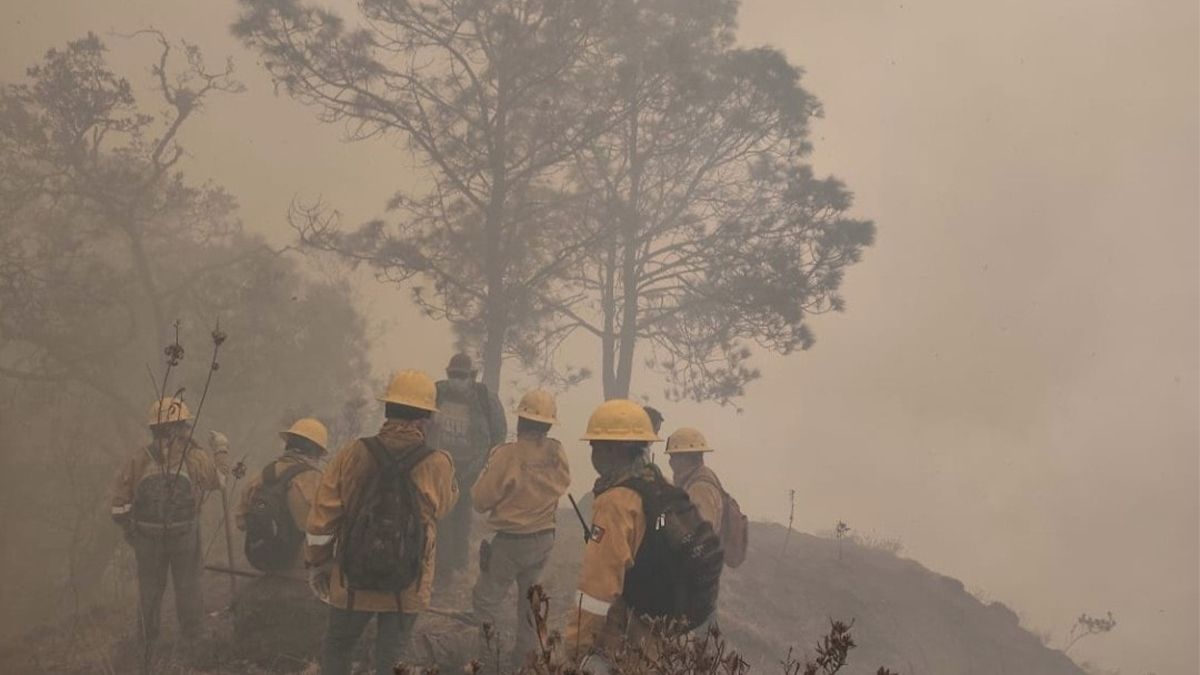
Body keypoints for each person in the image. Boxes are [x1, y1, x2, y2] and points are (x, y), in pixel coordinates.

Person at [305, 370, 458, 675]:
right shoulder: (438, 462)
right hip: (408, 583)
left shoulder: (353, 453)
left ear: (388, 409)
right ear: (425, 419)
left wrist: (318, 563)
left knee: (338, 647)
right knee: (392, 658)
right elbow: (444, 507)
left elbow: (322, 519)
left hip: (352, 580)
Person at [565, 401, 722, 671]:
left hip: (634, 629)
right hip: (669, 627)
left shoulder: (616, 502)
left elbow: (597, 588)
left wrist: (574, 648)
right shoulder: (660, 485)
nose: (592, 452)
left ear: (613, 449)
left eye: (594, 445)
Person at [110, 397, 232, 644]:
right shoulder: (194, 456)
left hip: (146, 537)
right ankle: (194, 638)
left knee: (149, 590)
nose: (188, 428)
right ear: (175, 428)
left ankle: (147, 644)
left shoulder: (139, 459)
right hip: (185, 534)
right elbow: (219, 481)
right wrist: (220, 450)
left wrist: (132, 532)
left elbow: (119, 505)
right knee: (189, 587)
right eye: (184, 424)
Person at [470, 389, 570, 666]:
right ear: (549, 424)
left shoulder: (507, 455)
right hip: (544, 539)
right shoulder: (556, 452)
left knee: (485, 600)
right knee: (531, 605)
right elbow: (564, 482)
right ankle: (525, 664)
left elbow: (480, 500)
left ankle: (487, 663)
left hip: (510, 542)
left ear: (520, 420)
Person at [233, 417, 328, 663]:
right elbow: (322, 529)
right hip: (300, 570)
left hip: (265, 560)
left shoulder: (261, 477)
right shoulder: (315, 480)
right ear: (315, 450)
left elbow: (241, 521)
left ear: (289, 444)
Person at [431, 353, 506, 583]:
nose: (456, 379)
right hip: (438, 466)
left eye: (461, 376)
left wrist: (487, 465)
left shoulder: (484, 398)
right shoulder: (437, 392)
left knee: (462, 514)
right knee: (440, 516)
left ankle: (457, 563)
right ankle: (442, 567)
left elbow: (498, 433)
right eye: (453, 374)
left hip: (469, 467)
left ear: (472, 376)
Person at [664, 428, 723, 530]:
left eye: (674, 456)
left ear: (687, 457)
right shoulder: (694, 482)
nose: (671, 462)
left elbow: (702, 531)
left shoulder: (700, 489)